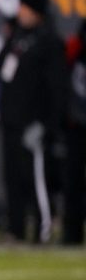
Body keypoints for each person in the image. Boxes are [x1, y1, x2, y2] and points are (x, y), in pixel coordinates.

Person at [0, 0, 68, 244]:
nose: (21, 12)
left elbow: (57, 88)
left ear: (37, 11)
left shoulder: (49, 41)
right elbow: (0, 68)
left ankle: (44, 227)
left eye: (25, 7)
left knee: (36, 179)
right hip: (10, 120)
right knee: (13, 177)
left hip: (34, 122)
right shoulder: (17, 36)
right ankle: (15, 229)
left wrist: (46, 124)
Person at [62, 19, 86, 245]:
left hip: (77, 120)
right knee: (73, 181)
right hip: (76, 124)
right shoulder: (74, 46)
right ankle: (71, 233)